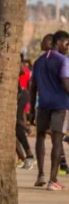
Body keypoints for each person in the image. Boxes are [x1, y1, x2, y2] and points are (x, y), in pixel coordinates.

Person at [29, 30, 69, 190]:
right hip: (60, 105)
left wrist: (32, 108)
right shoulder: (62, 61)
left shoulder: (38, 62)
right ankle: (53, 180)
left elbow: (33, 87)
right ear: (58, 43)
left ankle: (40, 175)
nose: (67, 48)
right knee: (57, 141)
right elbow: (65, 83)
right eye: (66, 44)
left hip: (43, 104)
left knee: (40, 136)